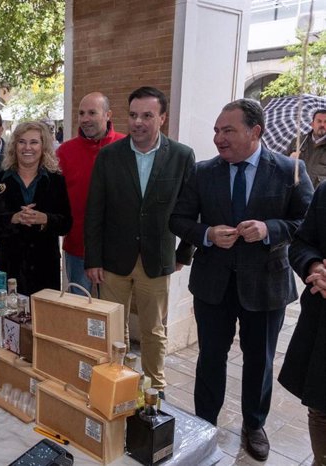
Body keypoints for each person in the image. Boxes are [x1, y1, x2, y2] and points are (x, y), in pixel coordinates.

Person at [169, 99, 313, 462]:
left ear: (255, 132)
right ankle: (204, 424)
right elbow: (178, 219)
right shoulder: (203, 172)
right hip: (212, 284)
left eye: (227, 130)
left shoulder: (289, 170)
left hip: (265, 285)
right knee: (210, 357)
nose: (218, 137)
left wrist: (270, 229)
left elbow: (307, 224)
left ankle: (254, 424)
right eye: (216, 130)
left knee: (260, 360)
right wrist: (207, 234)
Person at [84, 86, 195, 397]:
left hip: (157, 259)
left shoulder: (182, 156)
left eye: (147, 115)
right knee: (114, 328)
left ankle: (154, 387)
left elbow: (191, 209)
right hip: (113, 261)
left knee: (153, 330)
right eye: (133, 115)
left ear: (162, 118)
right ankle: (117, 382)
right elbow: (95, 210)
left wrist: (184, 253)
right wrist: (93, 259)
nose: (138, 122)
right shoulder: (108, 156)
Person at [0, 121, 72, 295]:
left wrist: (45, 219)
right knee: (9, 319)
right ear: (14, 146)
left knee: (43, 319)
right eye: (22, 142)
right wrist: (12, 219)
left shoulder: (56, 181)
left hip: (44, 268)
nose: (27, 147)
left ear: (43, 146)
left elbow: (67, 223)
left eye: (34, 142)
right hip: (8, 268)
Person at [56, 92, 125, 296]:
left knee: (114, 312)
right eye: (81, 113)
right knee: (79, 310)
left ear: (108, 114)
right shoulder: (64, 152)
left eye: (92, 113)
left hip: (117, 251)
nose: (85, 119)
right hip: (78, 249)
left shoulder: (126, 147)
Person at [280, 183, 326, 466]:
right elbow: (301, 242)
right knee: (320, 406)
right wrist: (314, 267)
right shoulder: (324, 193)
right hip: (322, 322)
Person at [289, 109, 326, 188]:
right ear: (312, 124)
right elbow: (281, 168)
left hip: (318, 196)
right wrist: (289, 160)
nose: (322, 125)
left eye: (325, 122)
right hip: (296, 193)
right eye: (319, 121)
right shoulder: (298, 142)